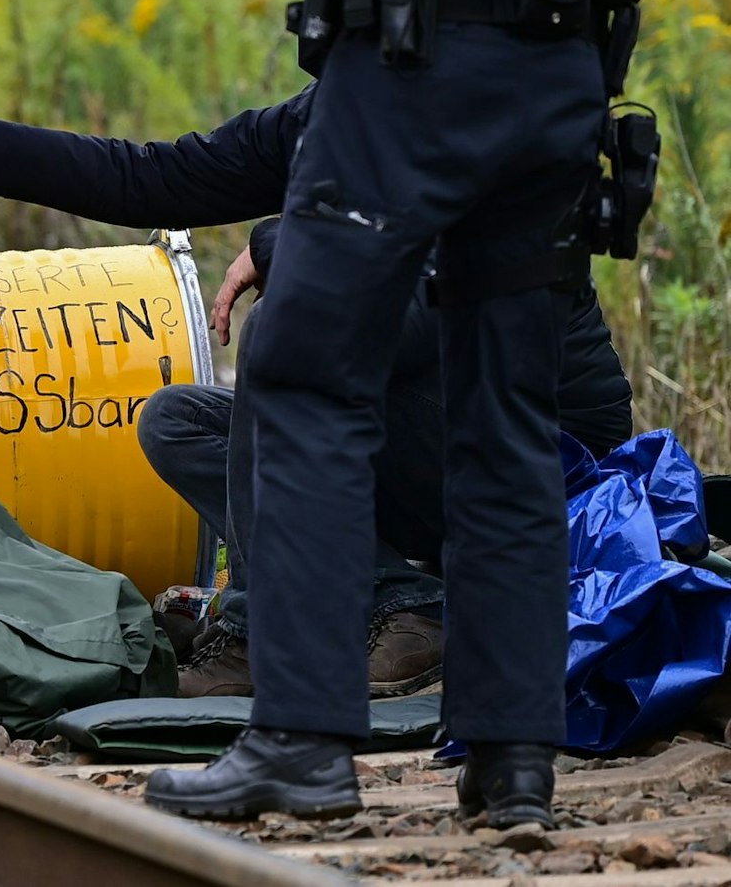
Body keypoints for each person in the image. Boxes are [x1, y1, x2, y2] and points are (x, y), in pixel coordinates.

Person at [152, 0, 704, 826]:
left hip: (406, 73)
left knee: (301, 384)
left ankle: (299, 740)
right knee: (504, 416)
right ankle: (512, 762)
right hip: (561, 90)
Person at [0, 64, 633, 698]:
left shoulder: (472, 117)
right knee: (179, 421)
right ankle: (380, 592)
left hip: (544, 457)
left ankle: (283, 620)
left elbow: (427, 296)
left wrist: (284, 248)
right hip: (426, 430)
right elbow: (155, 177)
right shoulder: (324, 118)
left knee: (284, 341)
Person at [140, 212, 633, 700]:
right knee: (176, 421)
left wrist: (280, 245)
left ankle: (266, 633)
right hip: (448, 440)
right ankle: (396, 594)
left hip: (546, 471)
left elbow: (391, 327)